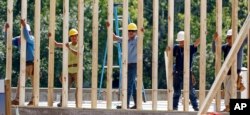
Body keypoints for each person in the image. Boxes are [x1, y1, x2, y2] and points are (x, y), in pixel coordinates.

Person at [213, 29, 247, 112]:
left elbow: (246, 39)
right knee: (227, 90)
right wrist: (214, 41)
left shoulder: (239, 45)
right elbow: (215, 50)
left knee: (229, 89)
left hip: (235, 71)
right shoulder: (225, 47)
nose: (228, 39)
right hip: (226, 72)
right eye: (227, 38)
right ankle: (228, 106)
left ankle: (232, 106)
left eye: (229, 37)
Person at [106, 22, 139, 109]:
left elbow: (142, 37)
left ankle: (126, 104)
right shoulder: (126, 40)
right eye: (129, 31)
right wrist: (109, 28)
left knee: (128, 85)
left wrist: (141, 31)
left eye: (133, 31)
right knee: (132, 85)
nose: (131, 32)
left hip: (134, 65)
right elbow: (115, 38)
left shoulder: (137, 40)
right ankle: (137, 104)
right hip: (127, 65)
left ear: (136, 32)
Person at [4, 19, 35, 106]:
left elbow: (27, 37)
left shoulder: (31, 38)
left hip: (33, 64)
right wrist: (6, 31)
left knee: (34, 83)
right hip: (24, 64)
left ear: (30, 32)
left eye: (27, 31)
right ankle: (17, 99)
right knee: (20, 82)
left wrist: (24, 26)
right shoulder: (19, 39)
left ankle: (34, 100)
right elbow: (8, 42)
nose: (25, 33)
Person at [171, 31, 200, 111]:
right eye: (180, 41)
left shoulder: (190, 48)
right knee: (177, 91)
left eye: (182, 41)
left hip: (187, 72)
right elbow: (169, 53)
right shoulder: (176, 48)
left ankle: (195, 106)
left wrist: (202, 35)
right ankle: (174, 107)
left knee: (191, 91)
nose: (181, 43)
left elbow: (196, 44)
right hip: (177, 72)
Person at [51, 28, 79, 107]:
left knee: (78, 88)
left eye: (75, 36)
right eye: (72, 36)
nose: (74, 38)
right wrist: (51, 37)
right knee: (65, 87)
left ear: (77, 36)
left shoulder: (80, 45)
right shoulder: (68, 44)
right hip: (69, 70)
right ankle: (62, 102)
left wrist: (69, 48)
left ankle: (78, 103)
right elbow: (57, 44)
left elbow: (78, 54)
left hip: (77, 70)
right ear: (70, 37)